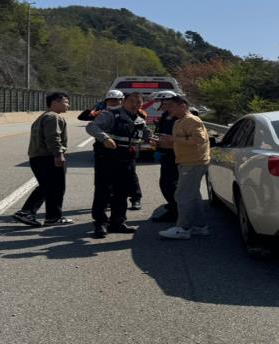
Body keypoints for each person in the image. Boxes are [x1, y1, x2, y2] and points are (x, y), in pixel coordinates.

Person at [86, 91, 151, 238]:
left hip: (127, 160)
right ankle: (101, 223)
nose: (135, 104)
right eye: (131, 101)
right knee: (103, 191)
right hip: (107, 159)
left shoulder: (140, 119)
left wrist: (155, 140)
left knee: (122, 192)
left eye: (138, 102)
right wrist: (105, 139)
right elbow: (91, 127)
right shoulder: (110, 114)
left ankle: (118, 222)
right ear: (124, 102)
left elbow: (145, 134)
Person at [152, 95, 210, 240]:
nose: (168, 109)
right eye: (167, 106)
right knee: (193, 195)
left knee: (182, 195)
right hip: (186, 162)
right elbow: (179, 142)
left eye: (171, 106)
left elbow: (199, 139)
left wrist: (173, 139)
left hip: (193, 162)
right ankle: (200, 226)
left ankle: (183, 228)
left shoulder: (191, 120)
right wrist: (161, 142)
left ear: (182, 106)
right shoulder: (179, 121)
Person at [13, 91, 73, 227]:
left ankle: (52, 217)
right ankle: (26, 212)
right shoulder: (53, 117)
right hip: (48, 157)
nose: (68, 105)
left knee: (49, 187)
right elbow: (53, 137)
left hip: (38, 158)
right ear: (55, 102)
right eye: (65, 102)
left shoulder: (43, 116)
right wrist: (58, 154)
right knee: (54, 187)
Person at [79, 90, 143, 211]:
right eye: (110, 100)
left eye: (116, 100)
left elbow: (141, 131)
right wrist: (105, 139)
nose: (113, 103)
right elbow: (86, 120)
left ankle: (133, 201)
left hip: (127, 156)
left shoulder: (139, 115)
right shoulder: (105, 113)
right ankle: (102, 215)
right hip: (107, 155)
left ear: (121, 101)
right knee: (104, 185)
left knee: (127, 181)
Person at [149, 90, 180, 223]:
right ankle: (173, 206)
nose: (157, 104)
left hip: (174, 155)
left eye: (159, 101)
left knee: (169, 185)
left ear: (167, 101)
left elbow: (175, 138)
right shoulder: (165, 116)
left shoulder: (177, 117)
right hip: (166, 154)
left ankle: (175, 211)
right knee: (166, 183)